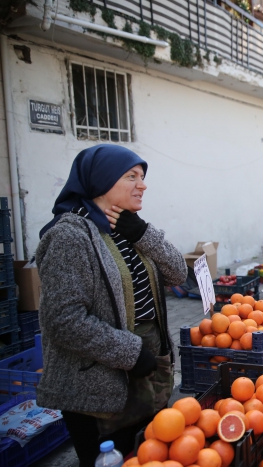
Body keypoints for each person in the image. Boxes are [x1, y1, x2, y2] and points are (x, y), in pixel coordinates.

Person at [35, 144, 187, 467]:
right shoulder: (70, 237)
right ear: (102, 181)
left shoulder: (132, 227)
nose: (142, 184)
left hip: (148, 374)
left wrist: (143, 233)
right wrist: (130, 354)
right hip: (100, 389)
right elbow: (64, 321)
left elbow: (179, 272)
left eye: (142, 177)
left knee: (150, 457)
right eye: (131, 176)